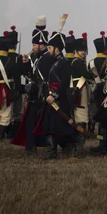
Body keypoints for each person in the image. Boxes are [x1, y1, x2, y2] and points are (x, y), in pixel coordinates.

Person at [11, 16, 51, 154]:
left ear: (42, 44)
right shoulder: (36, 57)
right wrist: (25, 63)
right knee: (30, 122)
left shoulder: (47, 58)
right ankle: (30, 146)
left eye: (34, 45)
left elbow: (40, 77)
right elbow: (29, 75)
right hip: (35, 95)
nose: (32, 48)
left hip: (43, 95)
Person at [35, 31, 74, 159]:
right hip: (49, 97)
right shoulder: (52, 61)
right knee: (49, 125)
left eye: (50, 48)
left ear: (56, 49)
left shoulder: (65, 63)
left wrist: (55, 95)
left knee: (61, 126)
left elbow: (64, 83)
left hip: (60, 99)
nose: (48, 49)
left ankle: (69, 147)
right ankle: (52, 153)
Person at [71, 33, 94, 156]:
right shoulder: (77, 62)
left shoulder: (79, 61)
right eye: (81, 50)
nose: (83, 52)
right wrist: (93, 74)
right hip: (79, 91)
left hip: (82, 89)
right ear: (76, 51)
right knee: (81, 116)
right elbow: (86, 75)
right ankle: (78, 145)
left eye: (85, 50)